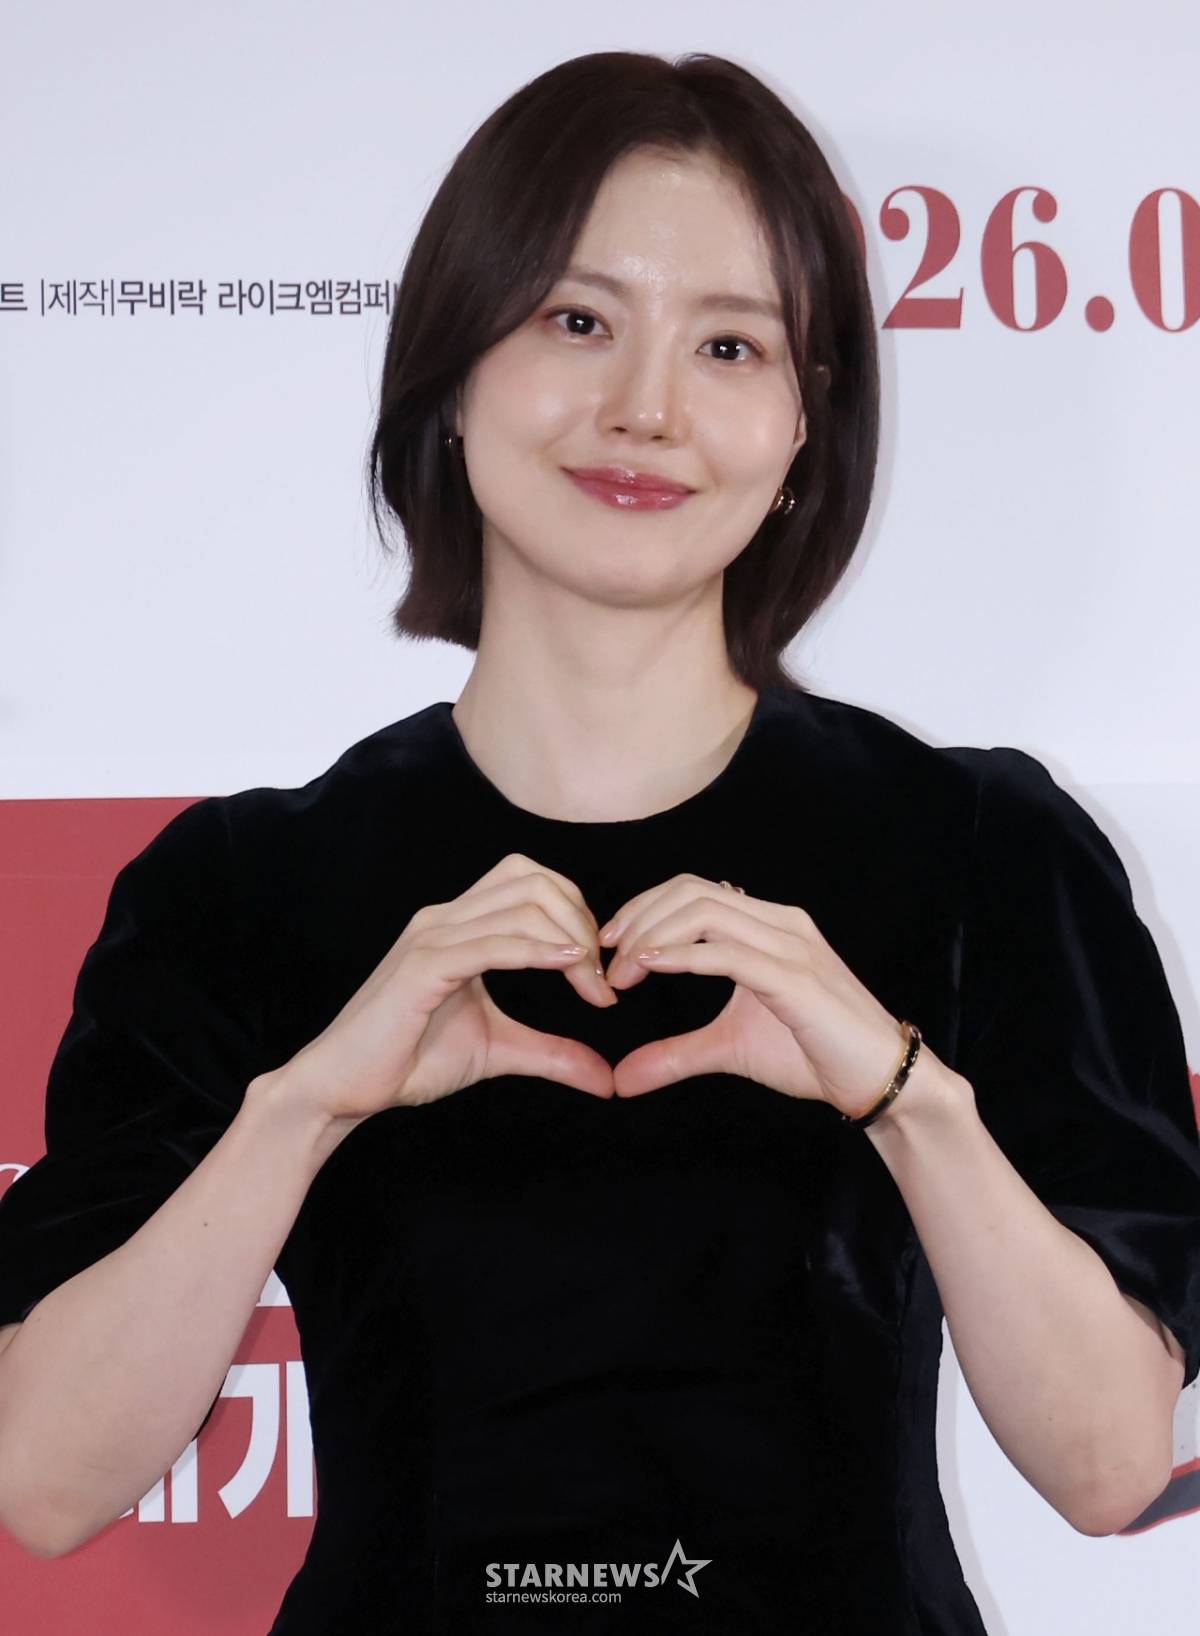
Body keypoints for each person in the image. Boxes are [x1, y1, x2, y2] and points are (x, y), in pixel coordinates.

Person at [0, 51, 1197, 1636]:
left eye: (729, 345)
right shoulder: (245, 888)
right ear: (453, 371)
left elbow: (1112, 1468)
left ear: (805, 429)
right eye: (578, 321)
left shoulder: (979, 851)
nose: (646, 406)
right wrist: (306, 1106)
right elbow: (43, 1480)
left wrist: (904, 1094)